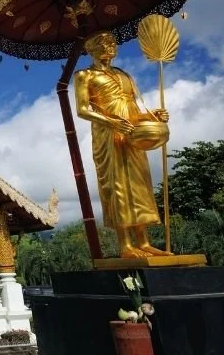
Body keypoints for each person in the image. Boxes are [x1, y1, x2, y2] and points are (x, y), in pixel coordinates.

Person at [73, 31, 171, 258]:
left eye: (113, 43)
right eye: (104, 43)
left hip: (133, 134)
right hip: (108, 135)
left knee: (139, 185)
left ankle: (144, 242)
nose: (111, 47)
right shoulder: (84, 75)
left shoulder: (123, 75)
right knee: (117, 186)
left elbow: (134, 108)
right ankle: (125, 245)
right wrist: (112, 122)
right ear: (90, 48)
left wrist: (153, 116)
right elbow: (82, 110)